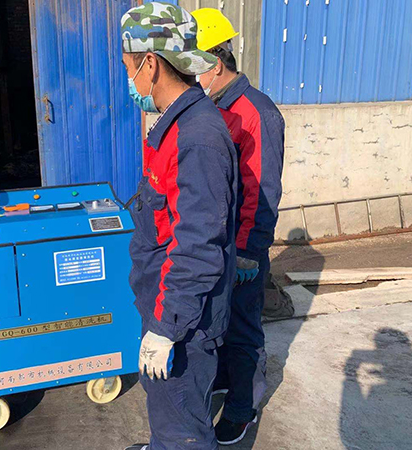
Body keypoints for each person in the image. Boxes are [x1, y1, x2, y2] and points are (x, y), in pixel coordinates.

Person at [120, 3, 238, 449]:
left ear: (150, 64)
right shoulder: (175, 125)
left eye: (128, 67)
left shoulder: (197, 136)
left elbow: (198, 245)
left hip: (185, 320)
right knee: (168, 411)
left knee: (183, 426)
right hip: (166, 303)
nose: (129, 78)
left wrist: (167, 327)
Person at [191, 7, 286, 445]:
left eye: (192, 66)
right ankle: (228, 382)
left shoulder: (256, 112)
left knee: (244, 327)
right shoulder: (213, 107)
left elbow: (263, 190)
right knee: (221, 320)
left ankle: (242, 408)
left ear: (215, 63)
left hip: (242, 244)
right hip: (217, 242)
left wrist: (249, 249)